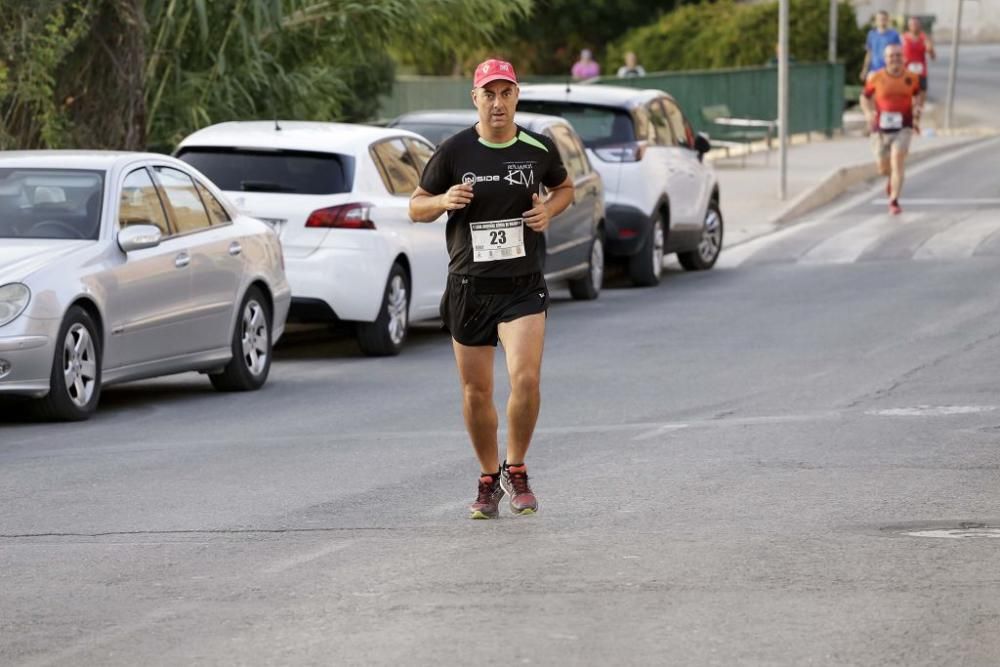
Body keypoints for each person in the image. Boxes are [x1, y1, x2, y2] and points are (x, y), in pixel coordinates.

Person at [409, 59, 574, 519]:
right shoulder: (454, 151)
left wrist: (550, 211)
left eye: (506, 93)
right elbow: (415, 206)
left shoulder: (538, 148)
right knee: (476, 391)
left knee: (526, 378)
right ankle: (488, 476)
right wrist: (443, 200)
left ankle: (516, 468)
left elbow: (565, 188)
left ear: (517, 96)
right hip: (469, 287)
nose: (498, 103)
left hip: (522, 285)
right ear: (475, 99)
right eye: (489, 94)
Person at [860, 44, 924, 215]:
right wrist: (868, 113)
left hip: (904, 126)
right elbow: (864, 97)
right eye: (891, 56)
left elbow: (917, 94)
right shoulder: (876, 77)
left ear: (903, 57)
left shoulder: (911, 77)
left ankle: (894, 200)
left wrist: (917, 108)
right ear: (885, 58)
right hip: (880, 128)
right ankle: (891, 178)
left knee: (897, 159)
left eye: (898, 55)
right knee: (883, 168)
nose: (895, 59)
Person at [860, 10, 901, 82]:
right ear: (876, 20)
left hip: (889, 70)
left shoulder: (894, 35)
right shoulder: (871, 34)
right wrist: (865, 69)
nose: (882, 21)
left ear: (888, 20)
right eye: (880, 19)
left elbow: (898, 54)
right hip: (874, 70)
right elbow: (869, 53)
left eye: (884, 19)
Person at [902, 16, 936, 92]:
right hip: (907, 72)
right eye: (912, 24)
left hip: (921, 72)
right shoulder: (903, 38)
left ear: (920, 25)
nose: (914, 26)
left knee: (920, 100)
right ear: (908, 26)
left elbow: (933, 57)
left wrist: (930, 50)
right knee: (908, 98)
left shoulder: (925, 38)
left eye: (916, 24)